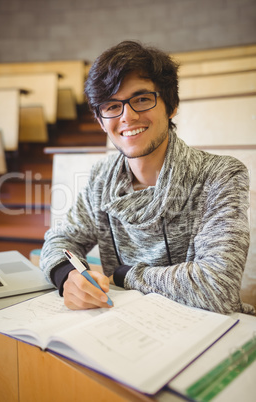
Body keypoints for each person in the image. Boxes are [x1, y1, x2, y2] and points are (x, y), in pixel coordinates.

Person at [40, 40, 254, 315]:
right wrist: (67, 276)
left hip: (206, 333)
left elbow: (217, 287)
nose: (127, 116)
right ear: (100, 119)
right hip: (125, 329)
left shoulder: (221, 175)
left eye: (142, 99)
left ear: (171, 105)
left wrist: (124, 275)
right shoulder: (101, 178)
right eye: (111, 106)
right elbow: (60, 240)